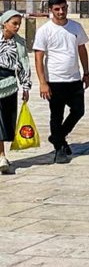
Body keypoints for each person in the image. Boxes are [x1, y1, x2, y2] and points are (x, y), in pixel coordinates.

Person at [33, 0, 89, 163]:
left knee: (79, 110)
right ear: (50, 10)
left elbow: (82, 49)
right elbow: (38, 57)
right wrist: (42, 82)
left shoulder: (76, 27)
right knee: (56, 115)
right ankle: (59, 148)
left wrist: (86, 73)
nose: (61, 12)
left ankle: (57, 137)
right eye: (57, 9)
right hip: (55, 79)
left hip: (74, 78)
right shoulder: (44, 31)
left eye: (63, 8)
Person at [0, 10, 31, 175]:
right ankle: (2, 156)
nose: (17, 27)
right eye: (14, 23)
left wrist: (26, 87)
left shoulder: (19, 43)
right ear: (5, 23)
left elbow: (24, 64)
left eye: (19, 24)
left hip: (9, 87)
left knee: (6, 122)